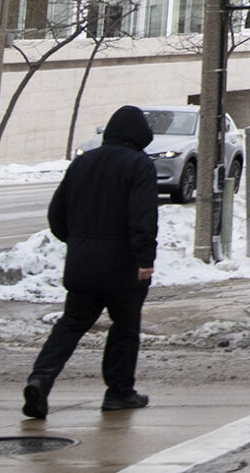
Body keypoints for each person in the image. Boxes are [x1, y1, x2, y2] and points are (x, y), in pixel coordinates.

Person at [22, 104, 161, 417]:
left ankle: (41, 378)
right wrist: (145, 258)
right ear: (139, 135)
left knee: (70, 324)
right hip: (123, 266)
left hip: (82, 264)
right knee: (125, 326)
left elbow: (56, 215)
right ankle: (119, 392)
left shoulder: (82, 164)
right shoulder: (139, 165)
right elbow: (142, 217)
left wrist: (78, 242)